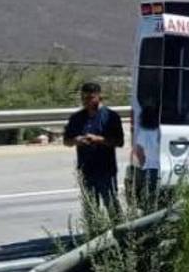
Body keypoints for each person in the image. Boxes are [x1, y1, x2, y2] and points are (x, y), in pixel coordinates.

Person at [63, 81, 124, 209]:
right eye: (83, 98)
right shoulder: (76, 118)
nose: (86, 101)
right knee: (91, 210)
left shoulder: (111, 117)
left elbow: (119, 142)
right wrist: (76, 141)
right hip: (86, 170)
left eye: (90, 98)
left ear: (99, 96)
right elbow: (66, 141)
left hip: (106, 170)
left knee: (112, 206)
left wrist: (98, 139)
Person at [130, 100, 161, 209]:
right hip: (160, 166)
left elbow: (139, 152)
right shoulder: (160, 131)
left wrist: (142, 164)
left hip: (148, 167)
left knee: (150, 194)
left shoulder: (143, 132)